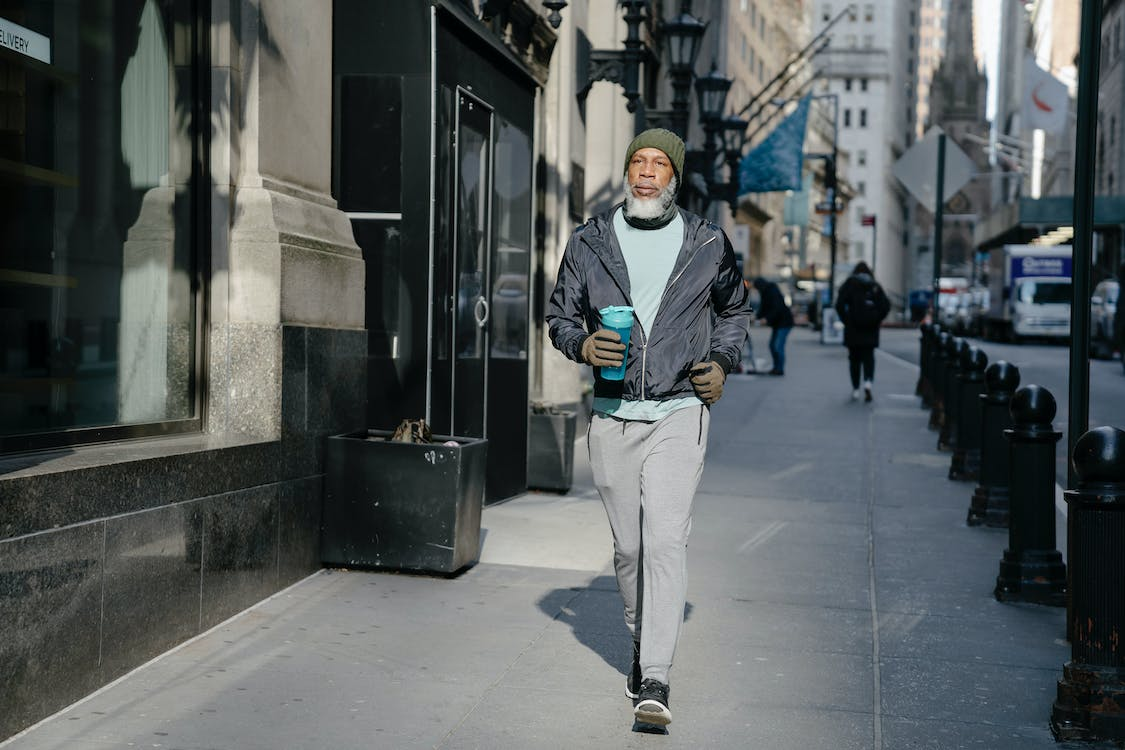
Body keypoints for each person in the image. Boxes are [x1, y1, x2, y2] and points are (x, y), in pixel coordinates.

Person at [546, 128, 751, 728]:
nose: (646, 172)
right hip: (613, 414)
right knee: (630, 547)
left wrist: (721, 363)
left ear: (674, 177)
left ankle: (656, 675)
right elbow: (559, 314)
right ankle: (640, 639)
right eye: (638, 160)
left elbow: (734, 311)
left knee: (664, 540)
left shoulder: (708, 242)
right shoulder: (590, 240)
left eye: (660, 164)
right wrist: (583, 344)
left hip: (679, 408)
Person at [834, 261, 890, 402]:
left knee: (854, 359)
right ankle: (868, 383)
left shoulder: (849, 284)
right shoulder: (874, 286)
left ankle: (855, 389)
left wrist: (847, 320)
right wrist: (876, 319)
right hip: (870, 330)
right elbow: (886, 306)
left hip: (853, 329)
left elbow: (839, 304)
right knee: (869, 358)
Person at [752, 277, 795, 375]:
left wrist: (766, 319)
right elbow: (764, 307)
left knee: (777, 346)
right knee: (772, 345)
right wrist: (757, 317)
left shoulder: (772, 291)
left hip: (784, 322)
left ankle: (779, 369)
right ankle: (776, 367)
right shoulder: (765, 292)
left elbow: (776, 308)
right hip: (778, 323)